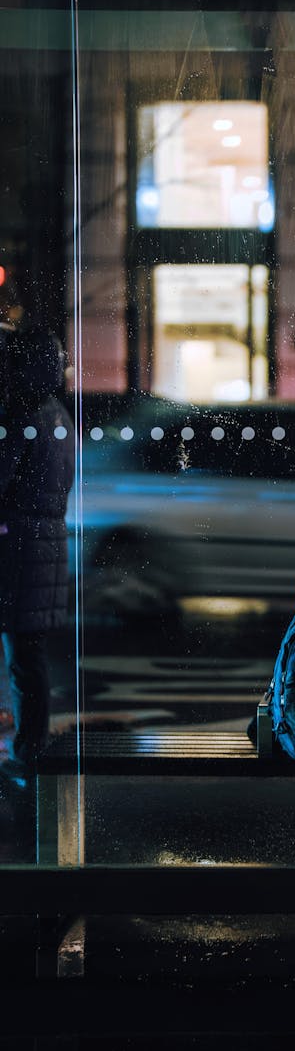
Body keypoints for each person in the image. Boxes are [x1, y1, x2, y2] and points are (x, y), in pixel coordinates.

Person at [0, 325, 75, 786]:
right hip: (43, 542)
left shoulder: (19, 414)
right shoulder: (57, 413)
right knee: (29, 654)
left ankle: (29, 752)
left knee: (24, 657)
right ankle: (31, 748)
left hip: (14, 545)